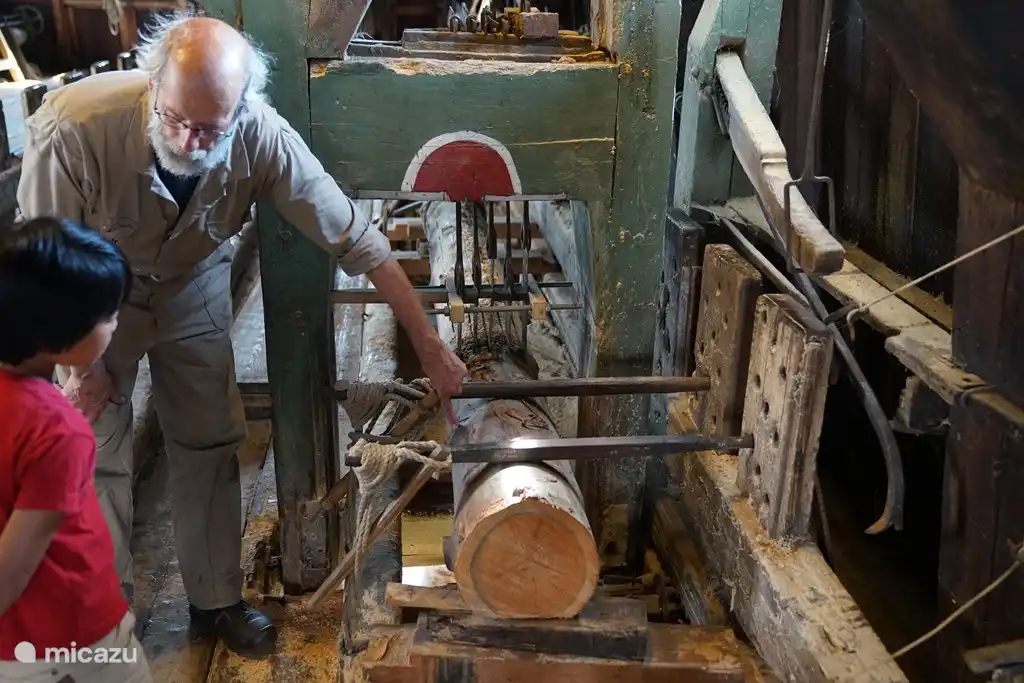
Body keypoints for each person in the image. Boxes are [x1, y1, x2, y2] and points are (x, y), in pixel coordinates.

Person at [16, 12, 469, 659]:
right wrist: (81, 371)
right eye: (174, 118)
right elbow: (45, 264)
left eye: (211, 128)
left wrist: (430, 345)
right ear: (151, 84)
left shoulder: (262, 136)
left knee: (207, 438)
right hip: (93, 291)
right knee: (99, 445)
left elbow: (356, 240)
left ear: (243, 107)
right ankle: (107, 617)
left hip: (191, 279)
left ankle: (216, 599)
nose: (189, 140)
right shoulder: (75, 126)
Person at [0, 217, 153, 682]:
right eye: (107, 316)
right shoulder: (56, 432)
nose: (115, 322)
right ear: (61, 332)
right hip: (69, 638)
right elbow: (9, 574)